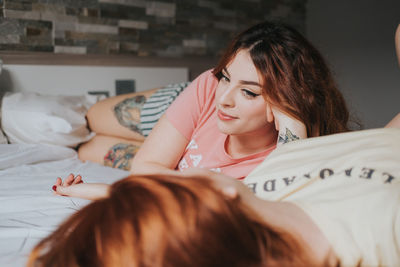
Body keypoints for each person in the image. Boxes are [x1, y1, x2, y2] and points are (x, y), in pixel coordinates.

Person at [30, 127, 400, 267]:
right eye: (173, 181)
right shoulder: (383, 232)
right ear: (216, 195)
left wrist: (78, 192)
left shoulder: (246, 204)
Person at [74, 20, 350, 181]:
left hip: (183, 157)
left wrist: (292, 120)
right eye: (227, 77)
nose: (225, 100)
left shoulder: (295, 152)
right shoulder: (211, 87)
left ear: (286, 103)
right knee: (89, 118)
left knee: (84, 149)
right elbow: (147, 168)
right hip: (183, 107)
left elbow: (287, 192)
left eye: (249, 92)